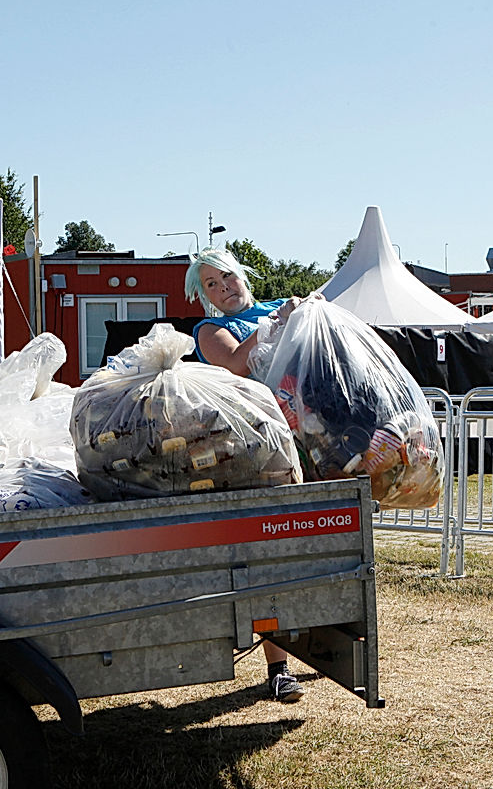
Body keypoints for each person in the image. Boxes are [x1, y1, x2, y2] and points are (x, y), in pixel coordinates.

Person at [184, 247, 307, 703]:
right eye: (211, 285)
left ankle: (334, 644)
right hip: (261, 451)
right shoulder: (210, 330)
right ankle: (279, 668)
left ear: (243, 276)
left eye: (227, 278)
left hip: (309, 435)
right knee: (266, 556)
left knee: (320, 548)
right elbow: (235, 364)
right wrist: (275, 326)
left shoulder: (278, 307)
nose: (223, 289)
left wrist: (306, 311)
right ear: (204, 296)